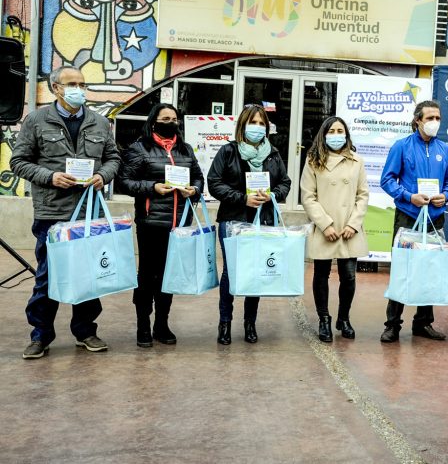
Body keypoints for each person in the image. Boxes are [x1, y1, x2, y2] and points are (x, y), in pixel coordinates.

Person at [10, 65, 121, 359]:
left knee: (88, 275)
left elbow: (113, 158)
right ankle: (40, 335)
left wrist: (104, 176)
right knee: (48, 276)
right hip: (52, 213)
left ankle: (85, 331)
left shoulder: (99, 122)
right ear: (56, 88)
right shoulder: (36, 120)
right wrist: (50, 177)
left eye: (83, 84)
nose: (79, 89)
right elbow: (18, 161)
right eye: (72, 83)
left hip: (88, 213)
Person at [117, 103, 204, 348]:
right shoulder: (140, 148)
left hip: (178, 225)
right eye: (165, 118)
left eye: (174, 118)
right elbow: (124, 182)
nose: (171, 122)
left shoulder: (184, 149)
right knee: (147, 275)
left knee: (169, 276)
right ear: (153, 121)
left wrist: (194, 189)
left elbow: (198, 176)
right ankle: (143, 324)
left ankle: (162, 324)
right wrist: (152, 187)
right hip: (151, 222)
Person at [207, 104, 291, 345]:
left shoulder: (273, 153)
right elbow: (214, 183)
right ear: (242, 125)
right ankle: (225, 323)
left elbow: (285, 182)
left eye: (261, 123)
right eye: (252, 123)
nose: (257, 127)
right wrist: (243, 198)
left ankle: (250, 323)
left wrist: (272, 194)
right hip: (233, 219)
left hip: (261, 220)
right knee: (231, 272)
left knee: (256, 272)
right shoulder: (228, 151)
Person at [379, 100, 448, 342]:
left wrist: (445, 195)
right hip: (408, 215)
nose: (435, 122)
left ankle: (423, 323)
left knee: (431, 270)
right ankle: (392, 324)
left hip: (434, 218)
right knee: (403, 269)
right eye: (429, 118)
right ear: (417, 121)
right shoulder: (401, 147)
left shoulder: (444, 149)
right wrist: (408, 196)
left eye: (438, 118)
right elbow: (387, 180)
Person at [300, 117, 369, 342]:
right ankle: (324, 319)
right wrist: (325, 224)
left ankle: (344, 318)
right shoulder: (313, 160)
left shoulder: (356, 161)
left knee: (348, 276)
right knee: (321, 275)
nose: (336, 134)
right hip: (325, 229)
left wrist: (353, 224)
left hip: (349, 229)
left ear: (346, 134)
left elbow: (362, 194)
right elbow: (308, 197)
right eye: (332, 130)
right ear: (324, 134)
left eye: (341, 130)